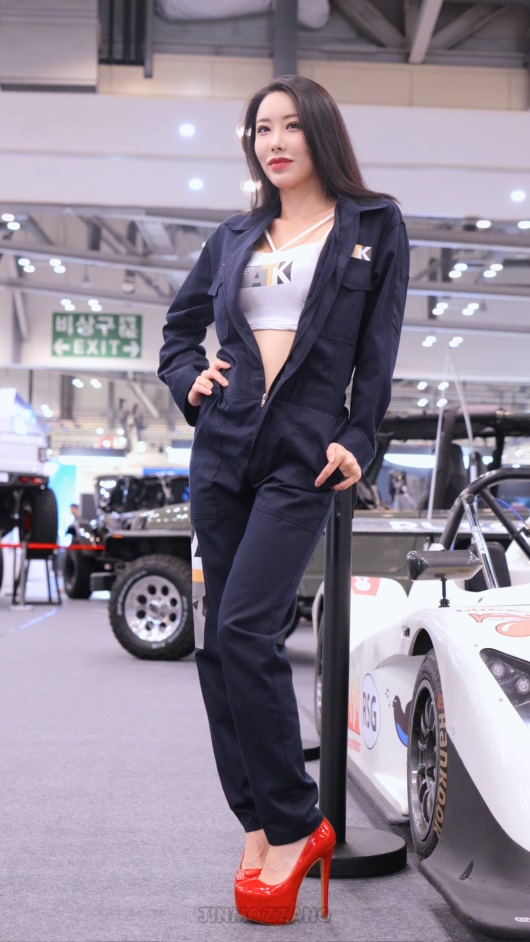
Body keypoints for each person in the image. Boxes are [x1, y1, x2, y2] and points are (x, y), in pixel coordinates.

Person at [158, 74, 409, 926]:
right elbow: (178, 332)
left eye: (291, 126)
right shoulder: (234, 235)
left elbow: (378, 350)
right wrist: (192, 381)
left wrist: (360, 437)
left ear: (320, 133)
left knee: (245, 629)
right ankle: (259, 820)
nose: (274, 141)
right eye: (262, 128)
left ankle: (299, 824)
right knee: (216, 647)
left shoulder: (373, 225)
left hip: (304, 451)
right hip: (223, 445)